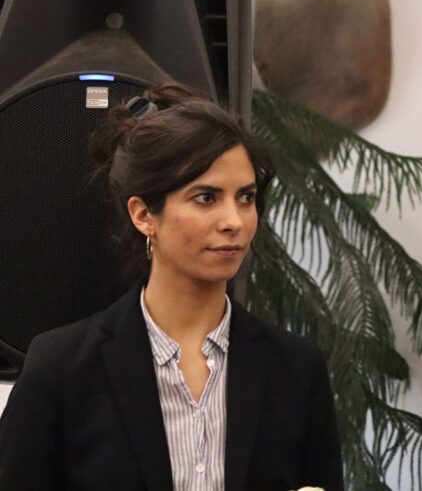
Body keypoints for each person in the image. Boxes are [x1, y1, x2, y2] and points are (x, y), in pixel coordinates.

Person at [0, 82, 344, 490]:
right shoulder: (62, 369)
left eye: (246, 197)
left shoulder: (295, 369)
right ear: (144, 214)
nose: (234, 221)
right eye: (206, 197)